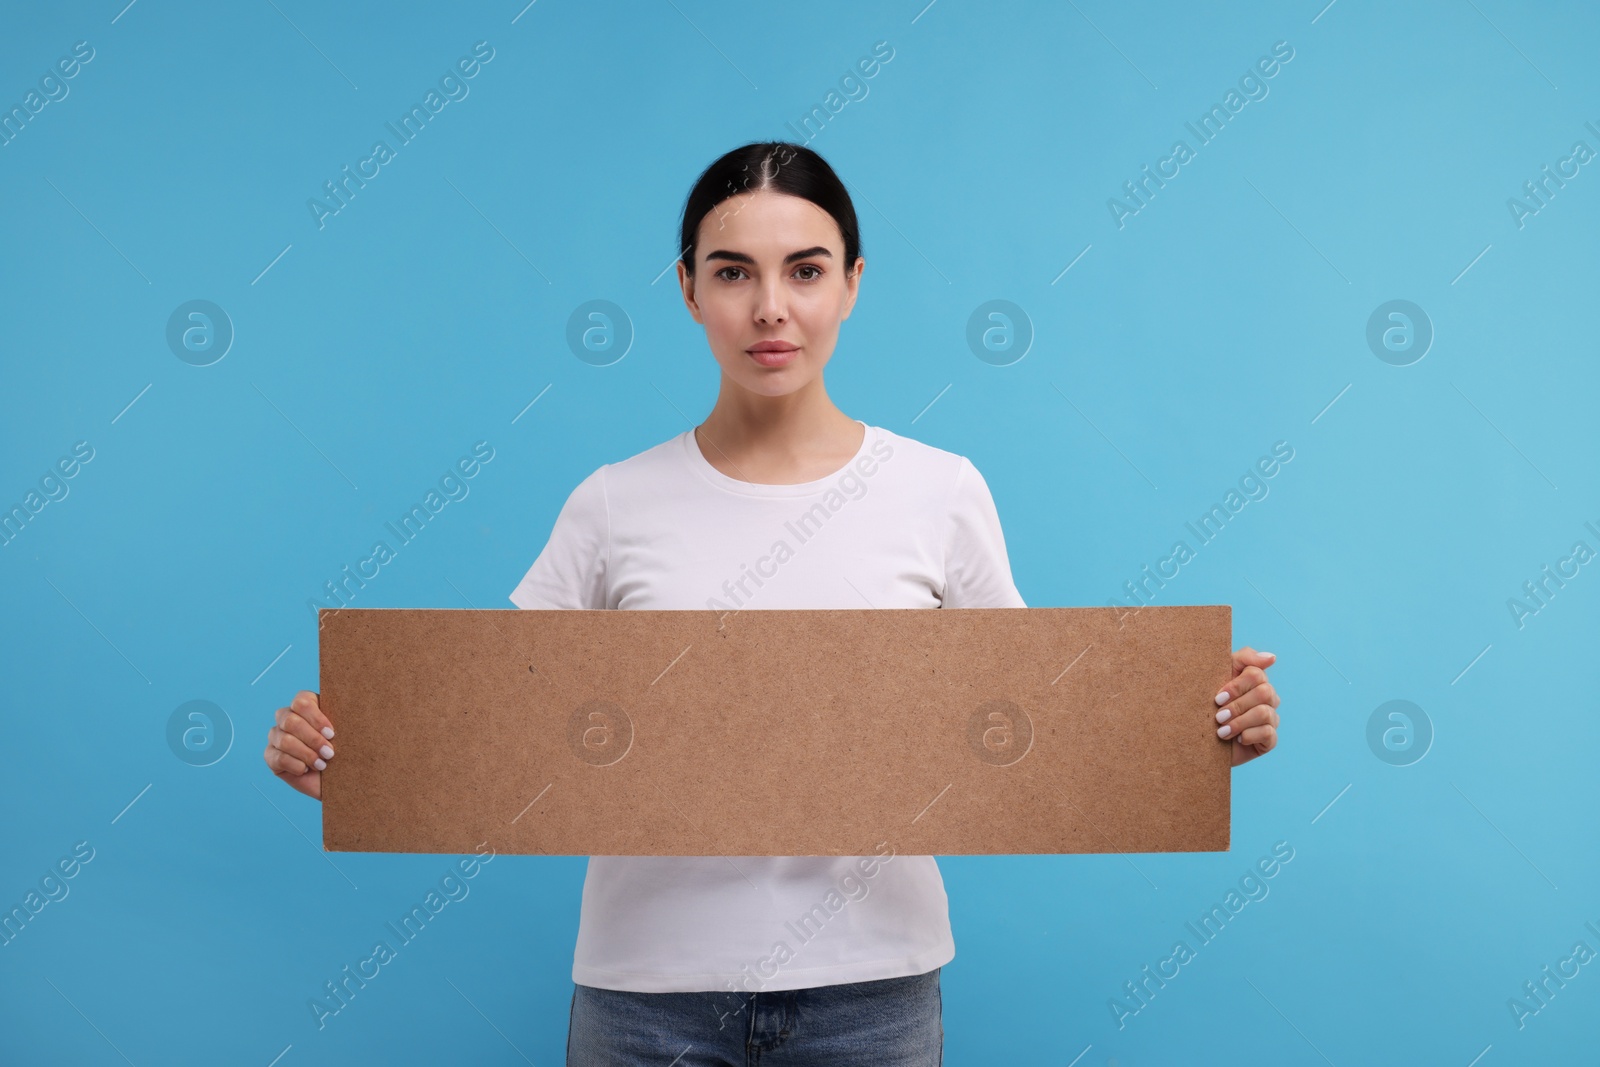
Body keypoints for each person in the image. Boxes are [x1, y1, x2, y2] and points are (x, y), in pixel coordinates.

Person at [264, 141, 1283, 1065]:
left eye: (804, 269)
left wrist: (1191, 731)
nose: (770, 308)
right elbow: (498, 724)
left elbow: (1025, 723)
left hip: (872, 993)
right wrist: (356, 757)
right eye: (732, 272)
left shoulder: (939, 491)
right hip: (643, 995)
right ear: (687, 290)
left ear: (852, 285)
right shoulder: (613, 502)